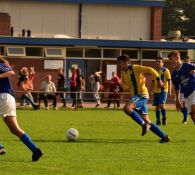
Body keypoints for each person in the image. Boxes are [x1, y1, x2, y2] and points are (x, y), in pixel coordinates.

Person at [117, 55, 169, 143]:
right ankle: (164, 137)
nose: (119, 65)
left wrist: (159, 80)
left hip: (142, 95)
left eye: (120, 63)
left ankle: (144, 125)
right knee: (148, 121)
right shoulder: (124, 73)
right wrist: (121, 88)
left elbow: (150, 69)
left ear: (126, 62)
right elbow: (128, 85)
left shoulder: (135, 68)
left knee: (127, 108)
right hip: (136, 96)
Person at [0, 57, 43, 161]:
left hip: (3, 97)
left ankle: (0, 147)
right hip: (8, 98)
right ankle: (35, 150)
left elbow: (11, 72)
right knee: (14, 129)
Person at [168, 51, 195, 124]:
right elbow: (177, 88)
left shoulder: (187, 66)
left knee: (193, 110)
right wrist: (177, 100)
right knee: (192, 116)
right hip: (186, 95)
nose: (170, 61)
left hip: (194, 90)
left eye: (171, 59)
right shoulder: (174, 74)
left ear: (177, 58)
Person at [150, 57, 172, 125]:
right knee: (157, 107)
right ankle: (158, 120)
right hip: (156, 91)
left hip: (163, 90)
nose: (158, 62)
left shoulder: (166, 70)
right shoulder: (154, 71)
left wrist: (169, 90)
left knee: (161, 105)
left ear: (163, 63)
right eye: (157, 61)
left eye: (159, 61)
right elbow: (153, 82)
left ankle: (164, 117)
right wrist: (150, 90)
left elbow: (169, 81)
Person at [179, 56, 191, 124]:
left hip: (191, 90)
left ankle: (185, 119)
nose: (186, 62)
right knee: (181, 106)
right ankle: (186, 114)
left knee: (186, 105)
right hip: (182, 90)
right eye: (185, 60)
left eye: (187, 60)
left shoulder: (192, 69)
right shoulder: (181, 69)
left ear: (190, 62)